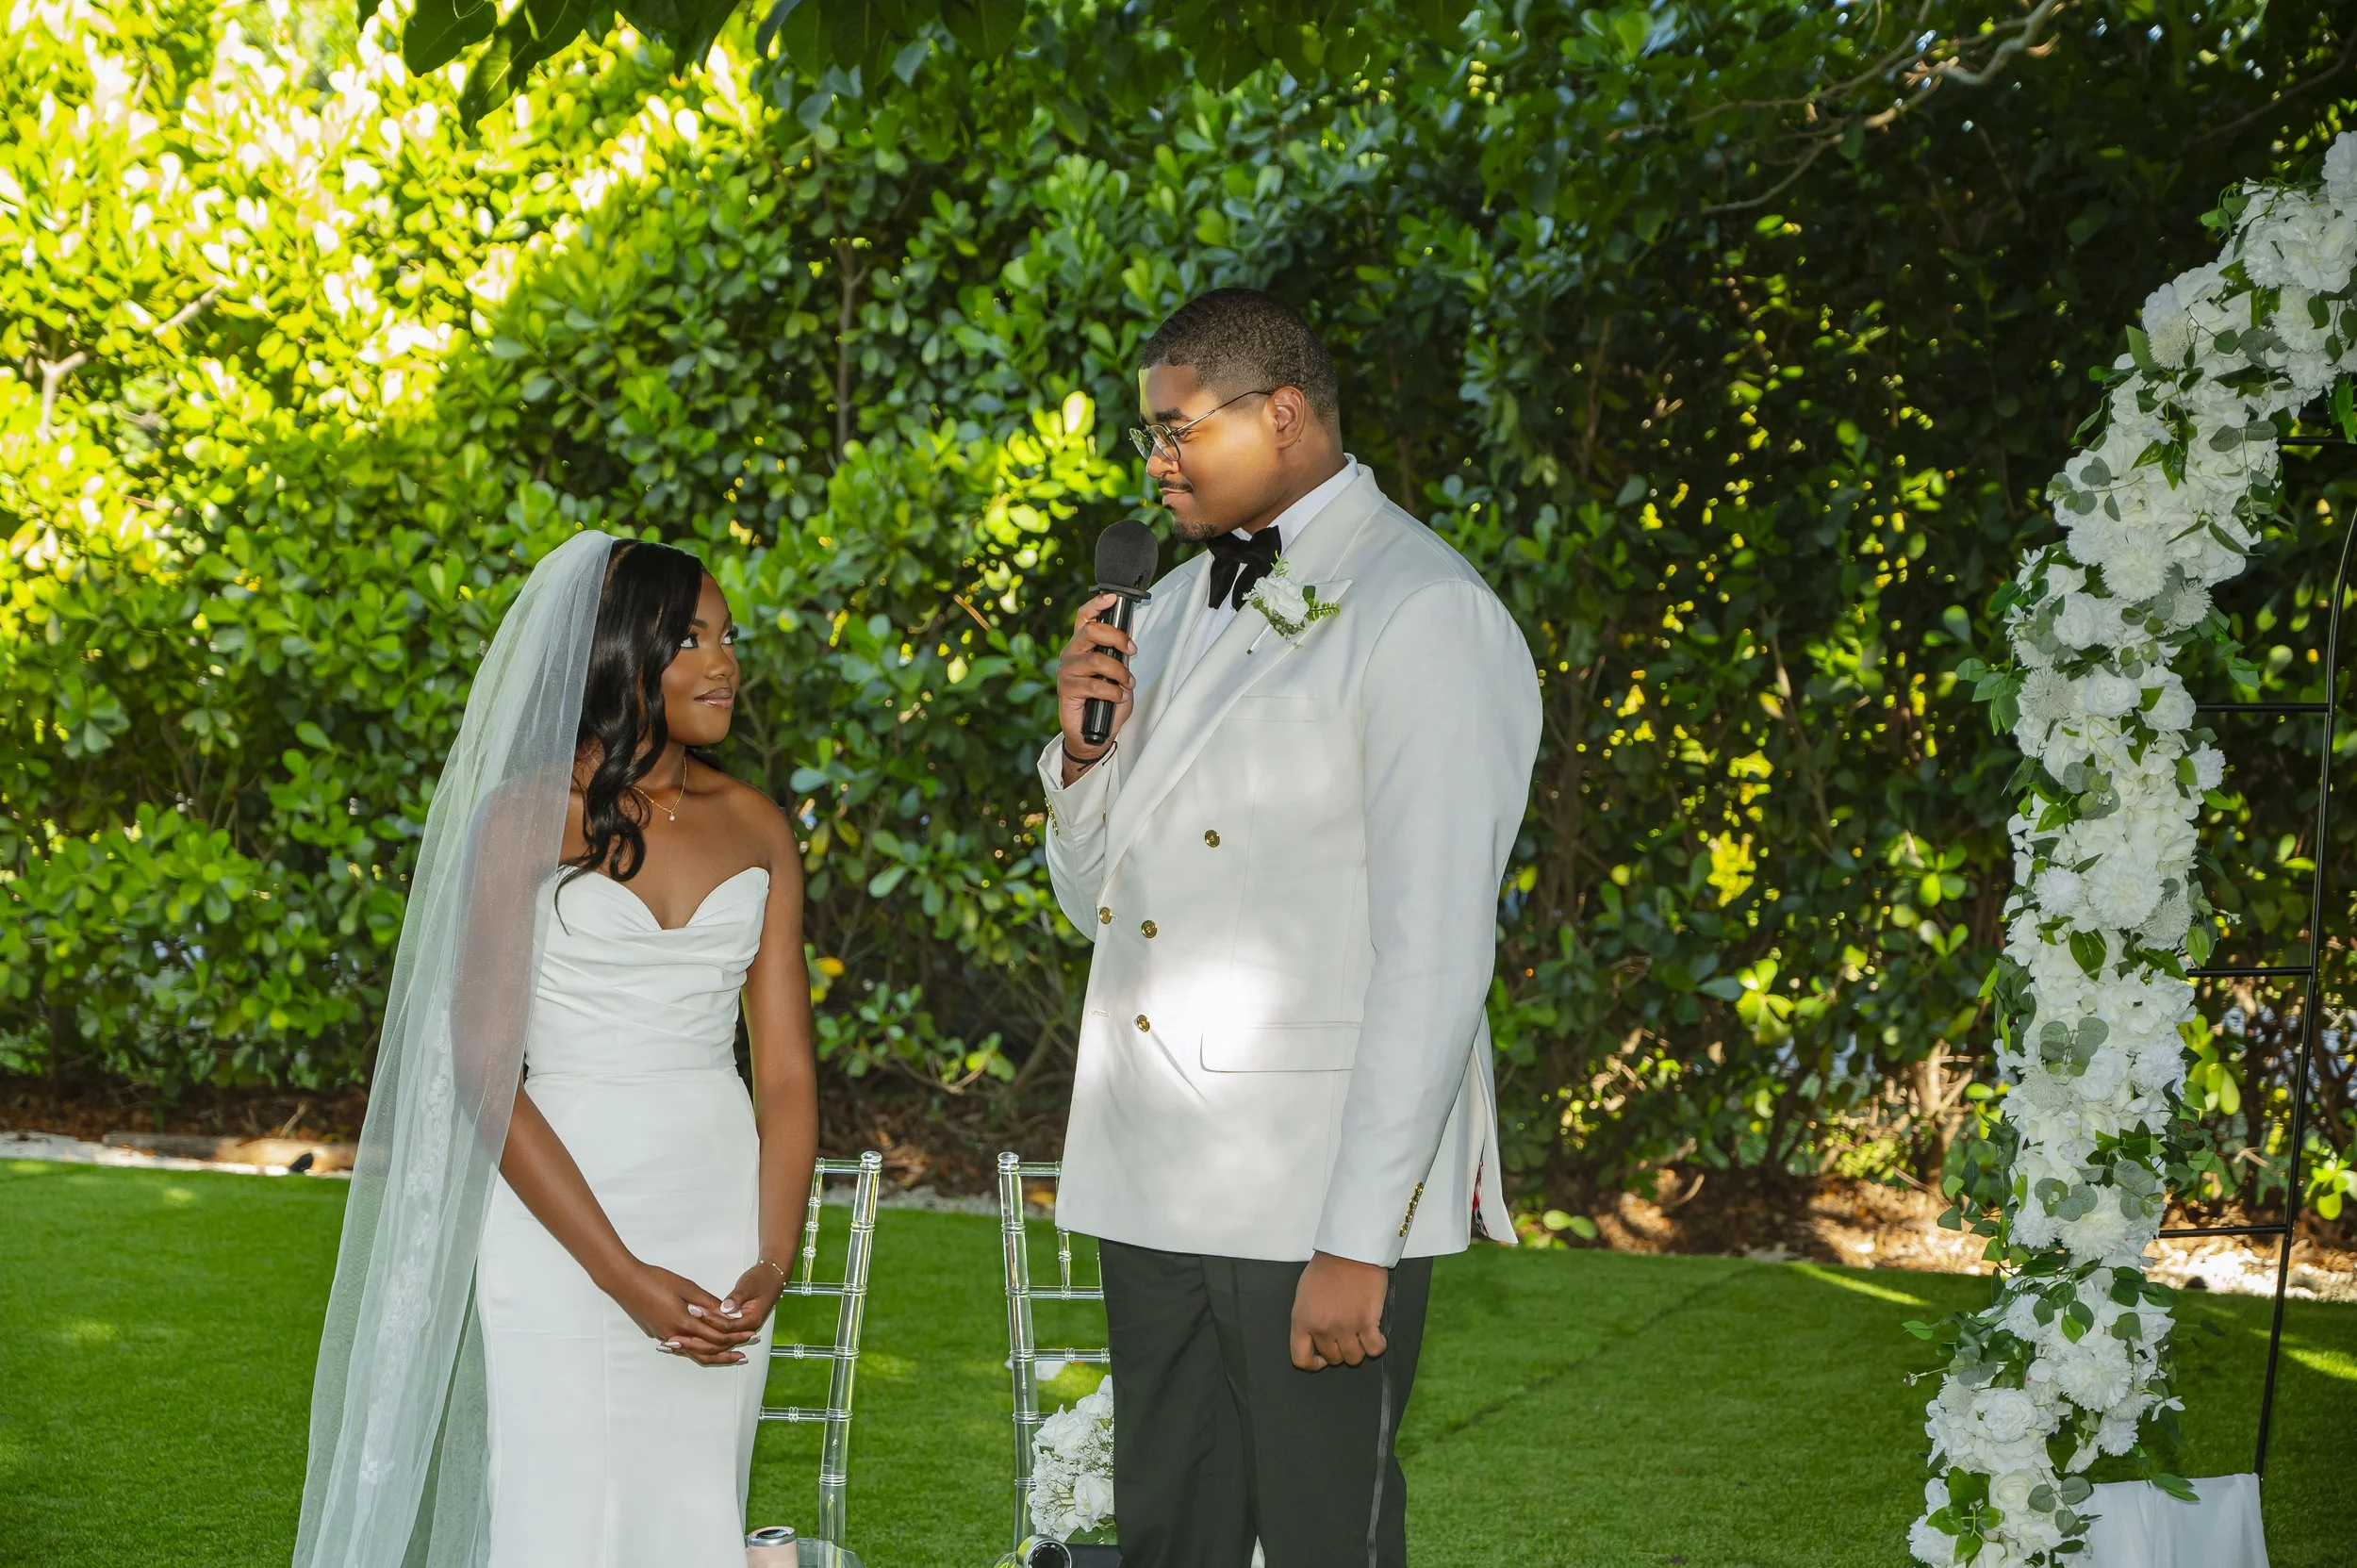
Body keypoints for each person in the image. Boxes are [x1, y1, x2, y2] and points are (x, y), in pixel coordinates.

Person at [1038, 288, 1541, 1565]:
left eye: (1177, 427)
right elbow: (1092, 899)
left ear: (1283, 412)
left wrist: (1355, 1238)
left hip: (1305, 1181)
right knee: (1166, 1530)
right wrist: (1082, 762)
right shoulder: (1163, 608)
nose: (1154, 460)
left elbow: (1434, 956)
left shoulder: (1425, 609)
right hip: (1155, 1163)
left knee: (1328, 1536)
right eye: (1145, 431)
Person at [293, 535, 818, 1568]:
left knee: (691, 1507)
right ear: (624, 656)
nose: (726, 665)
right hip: (561, 1211)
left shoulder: (756, 825)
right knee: (561, 1510)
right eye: (693, 640)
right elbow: (486, 1071)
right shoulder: (524, 819)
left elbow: (789, 1071)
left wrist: (771, 1253)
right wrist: (618, 1271)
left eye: (729, 638)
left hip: (718, 1201)